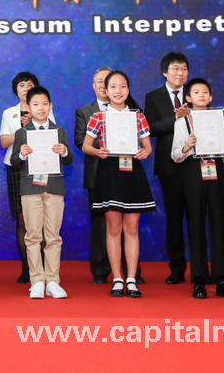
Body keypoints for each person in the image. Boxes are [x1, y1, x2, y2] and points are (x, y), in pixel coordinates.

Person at [82, 70, 155, 299]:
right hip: (109, 172)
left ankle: (131, 279)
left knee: (132, 228)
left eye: (122, 86)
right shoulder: (98, 117)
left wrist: (145, 152)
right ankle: (117, 279)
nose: (118, 91)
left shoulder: (138, 116)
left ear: (128, 89)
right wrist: (98, 151)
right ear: (105, 90)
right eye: (113, 86)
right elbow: (86, 146)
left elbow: (148, 146)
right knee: (113, 228)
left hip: (133, 172)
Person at [170, 78, 224, 300]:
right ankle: (199, 280)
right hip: (192, 172)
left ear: (210, 97)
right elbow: (175, 155)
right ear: (188, 98)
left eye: (205, 92)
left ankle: (222, 280)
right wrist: (187, 147)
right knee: (196, 224)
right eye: (196, 92)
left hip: (216, 171)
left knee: (218, 224)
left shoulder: (218, 119)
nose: (201, 95)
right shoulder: (182, 123)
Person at [9, 86, 72, 299]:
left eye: (45, 103)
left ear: (51, 106)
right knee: (33, 236)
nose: (41, 108)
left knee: (53, 236)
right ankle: (36, 281)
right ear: (28, 107)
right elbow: (14, 161)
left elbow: (69, 159)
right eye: (35, 104)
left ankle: (53, 281)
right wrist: (22, 154)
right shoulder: (21, 133)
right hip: (30, 188)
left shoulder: (59, 131)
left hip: (54, 187)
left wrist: (64, 151)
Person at [0, 71, 53, 284]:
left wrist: (36, 123)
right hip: (16, 166)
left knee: (42, 218)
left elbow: (54, 136)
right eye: (21, 85)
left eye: (30, 85)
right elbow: (4, 141)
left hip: (42, 165)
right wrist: (24, 130)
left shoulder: (46, 110)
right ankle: (27, 268)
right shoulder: (9, 113)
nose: (26, 88)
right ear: (16, 90)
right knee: (22, 218)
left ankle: (43, 267)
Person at [143, 52, 191, 284]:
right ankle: (177, 268)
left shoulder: (195, 92)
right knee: (174, 217)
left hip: (194, 162)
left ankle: (200, 268)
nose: (180, 73)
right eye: (175, 68)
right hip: (168, 165)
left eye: (184, 69)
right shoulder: (154, 97)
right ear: (164, 72)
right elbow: (150, 128)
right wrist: (177, 118)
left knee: (197, 216)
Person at [74, 67, 112, 283]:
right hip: (96, 172)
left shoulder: (129, 110)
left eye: (108, 81)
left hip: (123, 172)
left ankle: (130, 271)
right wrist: (110, 142)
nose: (103, 85)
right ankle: (100, 270)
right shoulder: (84, 111)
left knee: (127, 220)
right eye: (100, 81)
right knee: (99, 222)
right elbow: (80, 140)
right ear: (94, 85)